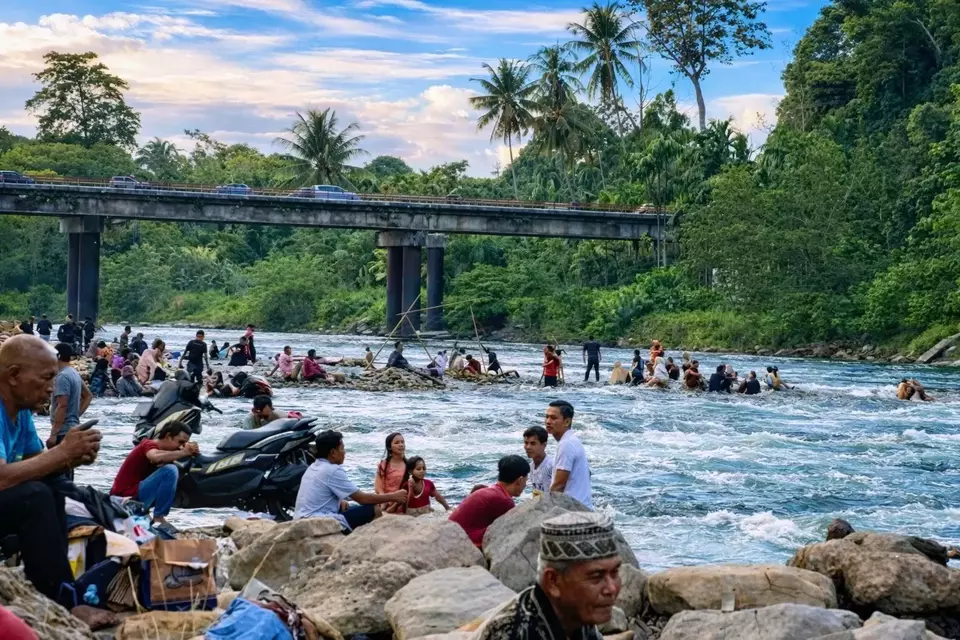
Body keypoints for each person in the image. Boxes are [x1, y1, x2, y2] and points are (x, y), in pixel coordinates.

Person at [0, 335, 116, 630]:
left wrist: (71, 459)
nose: (52, 388)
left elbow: (39, 463)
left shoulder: (20, 412)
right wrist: (62, 452)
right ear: (14, 376)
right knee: (35, 497)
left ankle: (73, 582)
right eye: (46, 378)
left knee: (59, 488)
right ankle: (65, 601)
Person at [470, 512, 622, 640]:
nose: (611, 588)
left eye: (615, 572)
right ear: (553, 582)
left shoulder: (577, 615)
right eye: (596, 576)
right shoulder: (513, 632)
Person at [294, 430, 407, 531]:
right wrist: (394, 496)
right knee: (374, 509)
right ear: (333, 452)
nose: (345, 452)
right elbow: (363, 499)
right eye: (342, 448)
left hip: (301, 518)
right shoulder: (332, 470)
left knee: (348, 506)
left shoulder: (314, 466)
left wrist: (339, 501)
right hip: (316, 523)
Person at [110, 420, 199, 533]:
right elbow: (155, 456)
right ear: (168, 436)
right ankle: (159, 517)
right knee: (170, 470)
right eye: (180, 442)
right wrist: (184, 453)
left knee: (175, 471)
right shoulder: (149, 444)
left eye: (184, 444)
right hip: (123, 499)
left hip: (136, 497)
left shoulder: (168, 452)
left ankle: (149, 516)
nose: (181, 447)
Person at [449, 455, 529, 546]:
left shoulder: (489, 490)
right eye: (526, 480)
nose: (526, 484)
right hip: (461, 544)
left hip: (449, 535)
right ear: (520, 480)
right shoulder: (504, 500)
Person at [49, 344, 93, 469]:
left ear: (57, 356)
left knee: (60, 471)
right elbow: (88, 396)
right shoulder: (73, 372)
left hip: (62, 431)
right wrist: (75, 415)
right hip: (72, 427)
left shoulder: (62, 377)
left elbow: (62, 405)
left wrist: (53, 434)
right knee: (68, 470)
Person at [546, 400, 593, 510]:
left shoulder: (566, 444)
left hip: (573, 512)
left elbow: (559, 484)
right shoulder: (572, 440)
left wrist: (545, 508)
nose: (548, 421)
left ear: (567, 422)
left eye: (553, 418)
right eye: (547, 417)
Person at [375, 432, 407, 513]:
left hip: (402, 502)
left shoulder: (409, 464)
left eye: (402, 442)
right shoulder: (383, 465)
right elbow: (378, 488)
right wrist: (383, 502)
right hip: (385, 502)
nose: (401, 445)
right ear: (389, 447)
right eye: (397, 443)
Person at [523, 426, 554, 497]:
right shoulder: (531, 466)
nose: (528, 447)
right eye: (526, 443)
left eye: (533, 443)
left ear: (544, 445)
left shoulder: (551, 466)